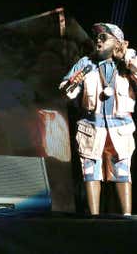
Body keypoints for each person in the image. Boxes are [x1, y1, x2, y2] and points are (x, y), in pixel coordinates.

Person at [60, 23, 136, 215]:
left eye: (104, 37)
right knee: (90, 170)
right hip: (91, 127)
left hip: (120, 128)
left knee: (122, 171)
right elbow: (65, 90)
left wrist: (127, 58)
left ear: (118, 43)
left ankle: (127, 219)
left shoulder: (128, 63)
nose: (98, 40)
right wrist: (71, 84)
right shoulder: (86, 63)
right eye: (97, 37)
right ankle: (94, 219)